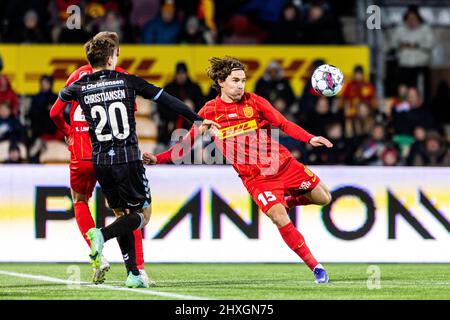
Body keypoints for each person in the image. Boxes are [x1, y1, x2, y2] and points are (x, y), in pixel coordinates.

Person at [144, 56, 333, 284]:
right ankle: (316, 268)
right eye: (235, 80)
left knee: (324, 197)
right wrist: (158, 158)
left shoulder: (254, 102)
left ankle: (289, 201)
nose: (241, 85)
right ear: (221, 82)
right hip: (257, 179)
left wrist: (309, 138)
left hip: (283, 164)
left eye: (243, 80)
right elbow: (187, 143)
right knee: (279, 217)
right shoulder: (210, 111)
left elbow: (282, 124)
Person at [51, 36, 218, 288]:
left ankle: (133, 274)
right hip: (127, 159)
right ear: (110, 59)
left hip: (99, 161)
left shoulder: (79, 85)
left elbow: (57, 106)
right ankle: (102, 236)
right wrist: (197, 119)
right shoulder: (128, 80)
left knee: (122, 215)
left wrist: (70, 129)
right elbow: (167, 100)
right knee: (141, 215)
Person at [50, 32, 150, 286]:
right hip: (110, 153)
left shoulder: (77, 76)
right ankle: (136, 269)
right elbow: (128, 117)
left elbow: (54, 112)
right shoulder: (121, 76)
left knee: (80, 200)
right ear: (113, 53)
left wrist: (69, 133)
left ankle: (99, 257)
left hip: (82, 153)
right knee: (127, 212)